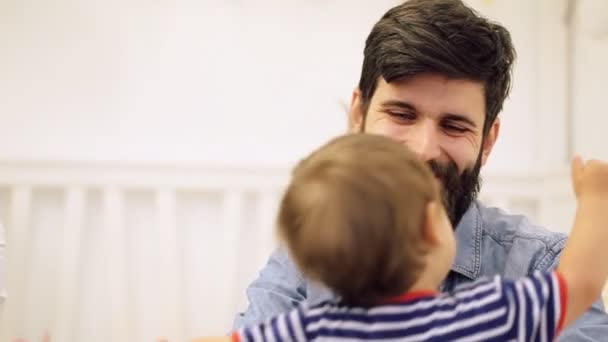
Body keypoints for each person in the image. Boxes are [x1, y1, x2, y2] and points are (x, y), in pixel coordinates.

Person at [233, 0, 608, 340]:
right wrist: (597, 199)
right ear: (359, 115)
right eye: (401, 114)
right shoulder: (307, 255)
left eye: (454, 126)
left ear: (488, 142)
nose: (423, 150)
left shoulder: (541, 263)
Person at [193, 133, 608, 341]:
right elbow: (580, 283)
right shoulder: (478, 316)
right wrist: (596, 198)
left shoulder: (306, 329)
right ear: (432, 226)